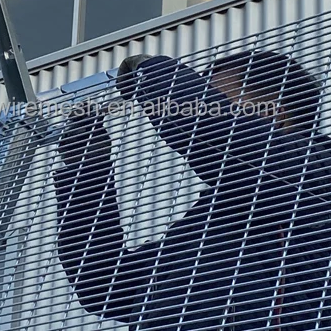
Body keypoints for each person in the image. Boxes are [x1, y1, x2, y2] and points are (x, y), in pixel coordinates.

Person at [53, 50, 331, 331]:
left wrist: (155, 73)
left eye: (217, 100)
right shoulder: (206, 225)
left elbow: (219, 135)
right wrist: (87, 168)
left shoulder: (315, 169)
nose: (202, 104)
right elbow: (104, 285)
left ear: (271, 115)